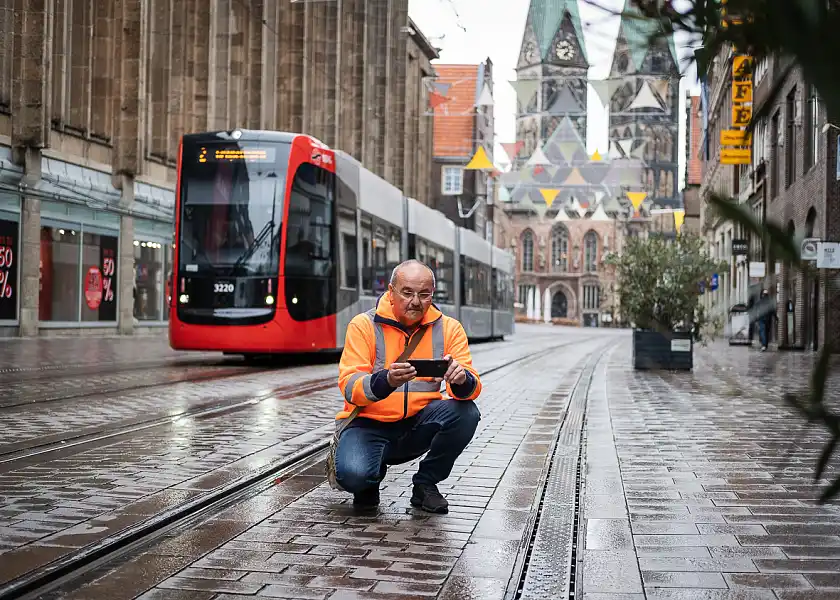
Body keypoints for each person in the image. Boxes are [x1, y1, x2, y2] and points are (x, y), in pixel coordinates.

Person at [334, 259, 482, 514]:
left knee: (467, 413)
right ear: (391, 293)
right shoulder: (363, 325)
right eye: (407, 293)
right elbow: (349, 385)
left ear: (432, 295)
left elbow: (473, 384)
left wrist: (461, 379)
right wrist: (386, 380)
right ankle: (369, 479)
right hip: (368, 425)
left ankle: (425, 485)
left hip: (417, 425)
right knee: (355, 476)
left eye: (424, 295)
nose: (416, 301)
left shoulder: (449, 328)